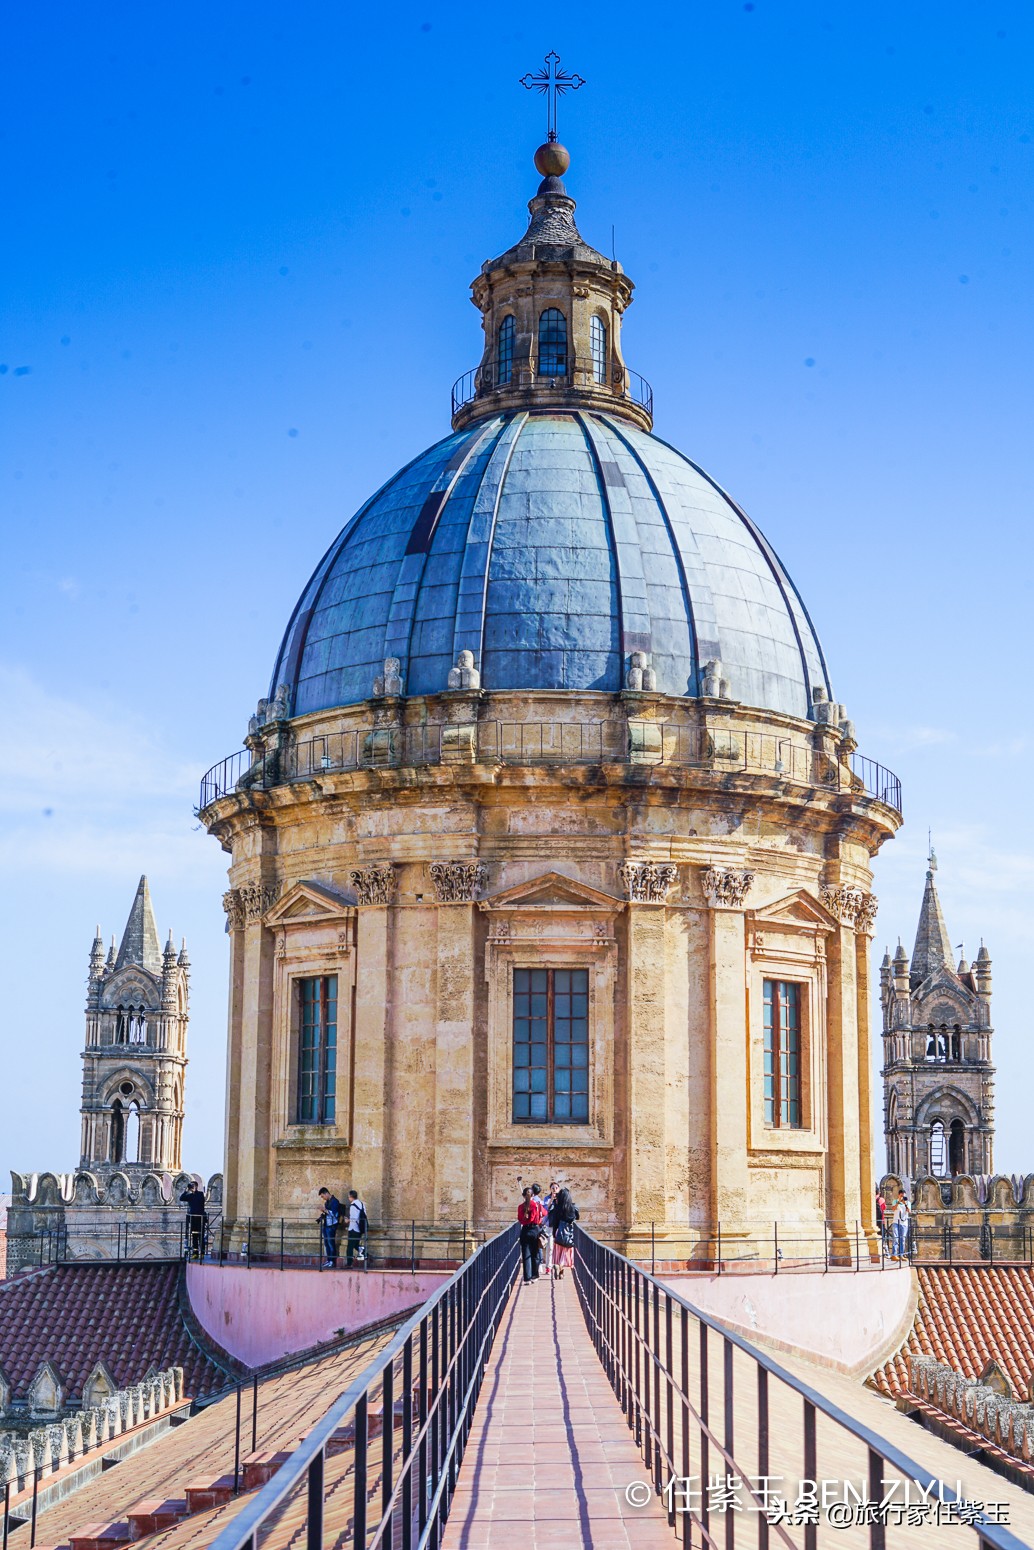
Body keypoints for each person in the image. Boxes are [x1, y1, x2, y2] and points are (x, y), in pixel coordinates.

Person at [549, 1186, 579, 1280]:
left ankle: (558, 1266)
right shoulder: (572, 1207)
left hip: (559, 1231)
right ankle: (561, 1269)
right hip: (568, 1233)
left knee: (558, 1251)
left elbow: (555, 1221)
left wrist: (554, 1234)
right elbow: (576, 1217)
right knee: (565, 1251)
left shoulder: (557, 1208)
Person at [517, 1186, 546, 1284]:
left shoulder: (521, 1207)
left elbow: (520, 1220)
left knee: (526, 1254)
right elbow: (543, 1214)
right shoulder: (536, 1205)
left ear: (523, 1196)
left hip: (525, 1230)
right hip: (535, 1230)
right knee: (535, 1254)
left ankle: (527, 1278)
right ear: (533, 1195)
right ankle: (535, 1275)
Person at [179, 1181, 207, 1261]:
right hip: (193, 1219)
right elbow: (181, 1198)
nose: (192, 1187)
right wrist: (186, 1190)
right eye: (192, 1186)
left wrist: (194, 1191)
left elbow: (201, 1201)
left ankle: (202, 1253)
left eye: (193, 1186)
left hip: (200, 1218)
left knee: (201, 1236)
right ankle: (195, 1253)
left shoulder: (200, 1194)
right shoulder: (190, 1196)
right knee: (194, 1236)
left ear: (197, 1186)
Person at [317, 1187, 342, 1267]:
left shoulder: (335, 1201)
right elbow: (327, 1213)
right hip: (326, 1224)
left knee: (331, 1243)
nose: (323, 1198)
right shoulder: (327, 1202)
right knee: (327, 1243)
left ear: (326, 1193)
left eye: (322, 1196)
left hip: (332, 1225)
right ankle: (328, 1260)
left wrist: (324, 1210)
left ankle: (332, 1261)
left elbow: (335, 1214)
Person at [540, 1180, 560, 1275]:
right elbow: (545, 1210)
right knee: (550, 1247)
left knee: (559, 1247)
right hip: (550, 1226)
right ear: (550, 1189)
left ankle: (559, 1267)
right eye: (553, 1188)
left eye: (556, 1188)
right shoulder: (547, 1198)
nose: (554, 1189)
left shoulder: (561, 1198)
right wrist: (551, 1199)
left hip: (559, 1226)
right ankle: (548, 1267)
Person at [346, 1188, 368, 1269]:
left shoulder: (353, 1206)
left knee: (350, 1247)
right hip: (360, 1228)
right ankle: (366, 1254)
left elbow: (354, 1219)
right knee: (355, 1245)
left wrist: (348, 1220)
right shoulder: (361, 1204)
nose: (348, 1199)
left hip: (353, 1229)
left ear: (351, 1197)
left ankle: (349, 1263)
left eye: (348, 1197)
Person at [891, 1193, 910, 1261]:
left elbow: (909, 1211)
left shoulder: (908, 1203)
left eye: (904, 1196)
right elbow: (893, 1209)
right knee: (895, 1238)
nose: (903, 1197)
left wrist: (905, 1204)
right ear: (899, 1195)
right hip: (896, 1222)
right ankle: (894, 1255)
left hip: (904, 1223)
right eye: (901, 1196)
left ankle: (901, 1255)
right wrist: (898, 1202)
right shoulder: (895, 1201)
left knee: (902, 1240)